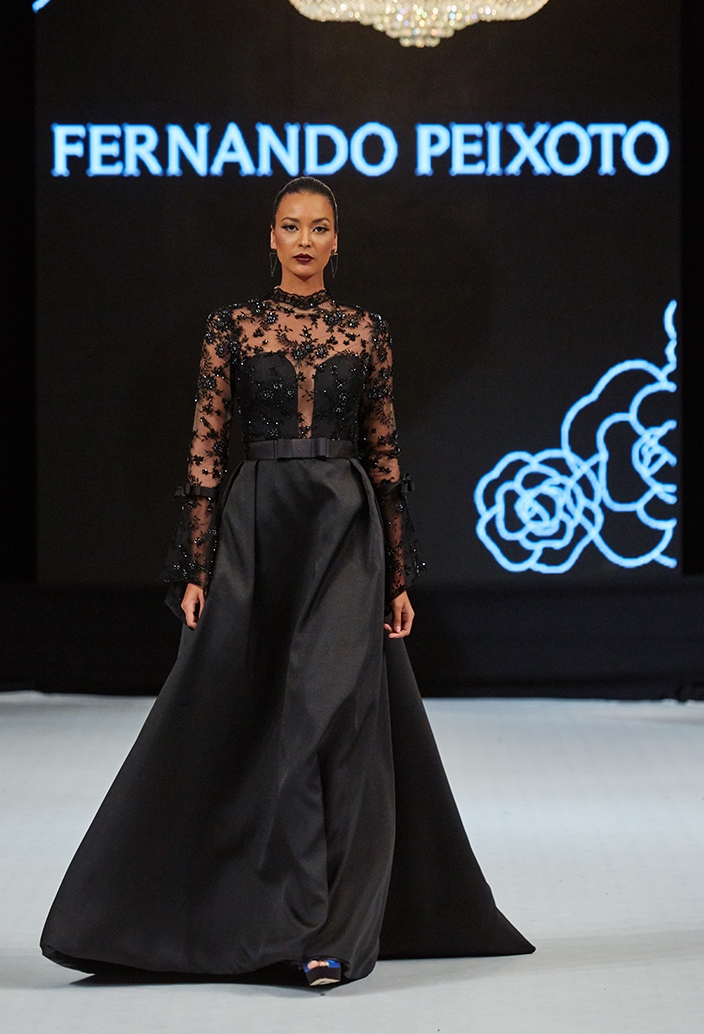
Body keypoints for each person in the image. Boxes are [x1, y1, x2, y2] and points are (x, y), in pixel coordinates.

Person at [40, 177, 534, 988]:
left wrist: (398, 574)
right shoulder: (231, 326)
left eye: (320, 227)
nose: (305, 240)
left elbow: (385, 454)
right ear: (270, 237)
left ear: (338, 241)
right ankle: (265, 917)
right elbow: (205, 452)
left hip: (343, 527)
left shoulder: (367, 330)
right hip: (259, 528)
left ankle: (327, 931)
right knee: (247, 714)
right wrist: (197, 565)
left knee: (329, 716)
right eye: (291, 226)